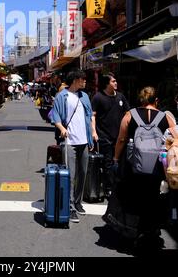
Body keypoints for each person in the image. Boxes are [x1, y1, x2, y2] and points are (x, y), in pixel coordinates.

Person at [104, 86, 176, 249]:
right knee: (153, 198)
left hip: (132, 167)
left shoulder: (130, 115)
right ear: (156, 101)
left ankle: (131, 230)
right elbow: (176, 139)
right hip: (156, 169)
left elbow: (121, 139)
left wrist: (115, 158)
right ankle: (150, 230)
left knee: (131, 197)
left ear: (141, 100)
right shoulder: (165, 117)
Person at [51, 70, 94, 223]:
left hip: (84, 141)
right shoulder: (62, 96)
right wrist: (62, 128)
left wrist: (93, 132)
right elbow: (54, 115)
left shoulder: (85, 96)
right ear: (76, 80)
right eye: (83, 79)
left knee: (83, 174)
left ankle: (78, 202)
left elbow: (90, 115)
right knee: (70, 175)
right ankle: (69, 207)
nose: (85, 82)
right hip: (69, 142)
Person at [91, 73, 130, 197]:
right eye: (113, 81)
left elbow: (128, 113)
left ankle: (117, 186)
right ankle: (109, 188)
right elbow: (93, 116)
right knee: (107, 163)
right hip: (104, 136)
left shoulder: (120, 97)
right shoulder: (98, 97)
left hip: (119, 137)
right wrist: (94, 132)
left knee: (118, 162)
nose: (116, 83)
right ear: (107, 84)